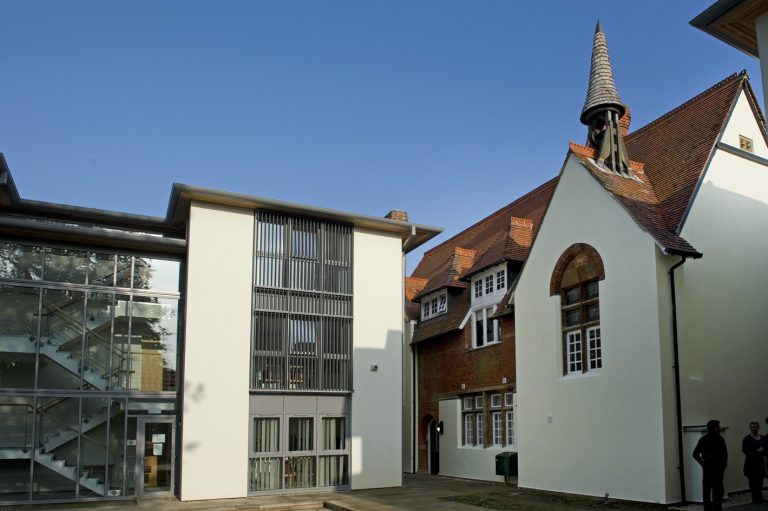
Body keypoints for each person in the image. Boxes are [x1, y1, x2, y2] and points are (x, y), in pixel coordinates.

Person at [693, 419, 728, 511]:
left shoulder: (703, 439)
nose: (719, 428)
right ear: (714, 428)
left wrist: (702, 463)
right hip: (717, 467)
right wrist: (723, 464)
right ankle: (717, 508)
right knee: (717, 490)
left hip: (708, 467)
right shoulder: (719, 439)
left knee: (707, 489)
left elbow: (695, 454)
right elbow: (724, 454)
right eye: (718, 426)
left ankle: (707, 508)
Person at [742, 422, 765, 503]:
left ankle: (760, 497)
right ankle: (755, 498)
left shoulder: (762, 437)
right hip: (751, 463)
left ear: (758, 427)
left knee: (760, 481)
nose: (754, 428)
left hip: (760, 463)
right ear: (750, 428)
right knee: (753, 481)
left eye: (755, 427)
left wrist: (763, 449)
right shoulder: (746, 439)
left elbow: (766, 447)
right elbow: (744, 450)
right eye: (752, 427)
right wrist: (756, 451)